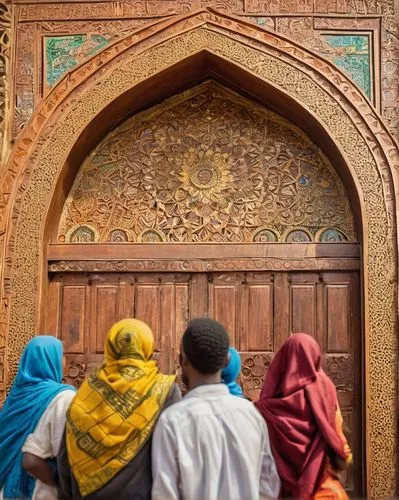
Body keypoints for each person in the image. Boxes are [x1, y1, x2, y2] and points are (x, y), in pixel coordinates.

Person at [151, 317, 281, 500]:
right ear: (227, 359)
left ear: (182, 360)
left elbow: (164, 494)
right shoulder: (251, 415)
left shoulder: (172, 421)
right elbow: (268, 487)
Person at [57, 318, 181, 500]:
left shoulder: (86, 394)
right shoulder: (162, 390)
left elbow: (64, 460)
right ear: (148, 348)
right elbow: (173, 456)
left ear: (110, 347)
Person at [255, 333, 352, 499]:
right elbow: (342, 453)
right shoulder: (324, 393)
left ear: (282, 362)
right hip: (324, 492)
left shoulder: (264, 410)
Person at [0, 335, 76, 500]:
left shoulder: (14, 397)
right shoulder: (63, 397)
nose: (64, 362)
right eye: (62, 356)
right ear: (51, 360)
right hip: (40, 491)